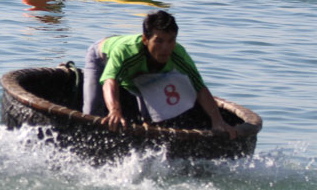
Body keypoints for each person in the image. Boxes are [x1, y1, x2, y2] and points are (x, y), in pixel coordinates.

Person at [82, 10, 237, 138]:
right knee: (91, 112)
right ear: (145, 40)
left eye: (171, 41)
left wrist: (218, 120)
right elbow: (110, 81)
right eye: (159, 41)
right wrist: (115, 111)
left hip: (141, 72)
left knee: (153, 120)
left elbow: (199, 88)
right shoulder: (127, 52)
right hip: (100, 59)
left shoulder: (178, 54)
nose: (166, 48)